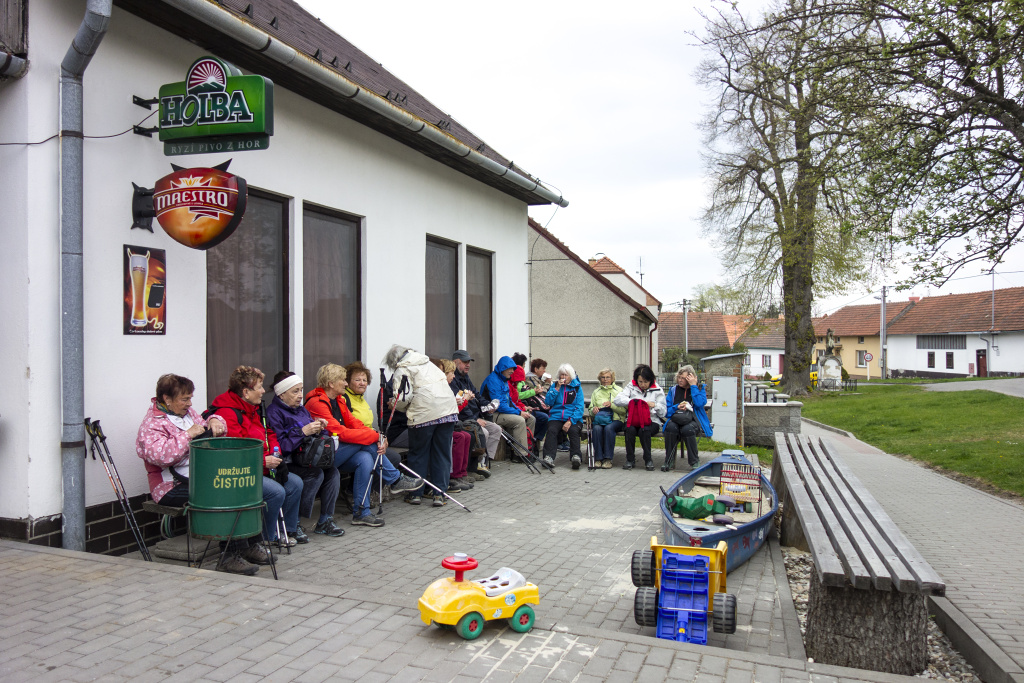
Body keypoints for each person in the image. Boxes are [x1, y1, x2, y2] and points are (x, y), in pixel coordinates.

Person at [136, 375, 251, 572]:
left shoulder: (187, 414)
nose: (189, 404)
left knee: (239, 486)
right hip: (169, 487)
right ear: (167, 399)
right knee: (223, 494)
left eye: (190, 398)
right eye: (184, 399)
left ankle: (247, 547)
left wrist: (215, 420)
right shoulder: (152, 424)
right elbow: (161, 456)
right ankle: (229, 557)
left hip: (198, 478)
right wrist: (188, 435)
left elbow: (205, 424)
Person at [304, 363, 422, 526]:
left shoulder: (338, 400)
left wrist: (378, 435)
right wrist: (374, 437)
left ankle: (361, 512)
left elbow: (354, 423)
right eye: (342, 380)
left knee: (366, 459)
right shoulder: (317, 403)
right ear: (331, 383)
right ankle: (395, 479)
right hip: (321, 455)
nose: (346, 383)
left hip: (337, 450)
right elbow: (339, 432)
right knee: (367, 445)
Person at [208, 365, 305, 555]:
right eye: (259, 387)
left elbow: (269, 432)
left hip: (264, 465)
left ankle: (286, 530)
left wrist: (276, 455)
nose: (263, 391)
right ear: (246, 392)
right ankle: (264, 538)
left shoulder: (253, 409)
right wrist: (263, 462)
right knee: (275, 492)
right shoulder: (230, 413)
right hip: (243, 471)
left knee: (295, 483)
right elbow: (237, 451)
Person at [265, 371, 344, 539]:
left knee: (332, 472)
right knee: (314, 474)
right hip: (288, 461)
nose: (300, 395)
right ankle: (295, 523)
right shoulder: (273, 413)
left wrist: (319, 426)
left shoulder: (300, 410)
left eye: (301, 390)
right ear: (282, 393)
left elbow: (311, 436)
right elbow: (279, 447)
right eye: (295, 391)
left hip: (305, 457)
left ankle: (325, 520)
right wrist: (303, 432)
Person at [385, 345, 460, 507]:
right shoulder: (429, 364)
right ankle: (439, 494)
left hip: (423, 414)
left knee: (419, 453)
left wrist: (395, 405)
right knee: (442, 453)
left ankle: (415, 494)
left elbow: (403, 397)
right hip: (447, 411)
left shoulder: (402, 370)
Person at [449, 350, 502, 470]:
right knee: (485, 432)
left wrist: (488, 406)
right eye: (464, 362)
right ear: (455, 362)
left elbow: (477, 395)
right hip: (465, 419)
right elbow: (461, 406)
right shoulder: (453, 381)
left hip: (475, 417)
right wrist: (475, 419)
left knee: (496, 429)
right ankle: (476, 465)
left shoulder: (465, 377)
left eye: (469, 362)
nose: (468, 365)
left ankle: (485, 461)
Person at [344, 361, 401, 468]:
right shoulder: (344, 399)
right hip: (355, 443)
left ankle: (376, 485)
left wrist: (381, 438)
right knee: (381, 458)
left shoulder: (361, 399)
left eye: (364, 380)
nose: (362, 383)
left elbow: (368, 425)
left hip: (369, 439)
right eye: (357, 380)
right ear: (347, 382)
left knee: (394, 457)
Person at [613, 364, 667, 471]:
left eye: (645, 382)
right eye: (640, 381)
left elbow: (663, 412)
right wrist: (634, 402)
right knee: (629, 430)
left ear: (651, 380)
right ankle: (630, 459)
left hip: (651, 421)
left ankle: (648, 459)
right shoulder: (631, 386)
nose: (642, 384)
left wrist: (654, 405)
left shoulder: (657, 390)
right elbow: (617, 400)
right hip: (634, 420)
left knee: (645, 430)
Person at [481, 356, 537, 455]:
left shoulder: (504, 380)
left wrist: (520, 411)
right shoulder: (493, 380)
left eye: (513, 369)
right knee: (519, 420)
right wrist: (519, 412)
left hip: (502, 412)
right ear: (503, 368)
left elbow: (510, 401)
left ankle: (529, 448)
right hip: (491, 414)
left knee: (531, 418)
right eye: (510, 369)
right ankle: (521, 454)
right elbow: (499, 405)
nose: (512, 371)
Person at [434, 358, 475, 491]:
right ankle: (453, 475)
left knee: (467, 436)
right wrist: (464, 401)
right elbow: (452, 410)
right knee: (459, 437)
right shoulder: (441, 389)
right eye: (451, 372)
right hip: (441, 426)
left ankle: (462, 473)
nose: (453, 375)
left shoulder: (447, 387)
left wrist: (462, 401)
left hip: (448, 423)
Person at [663, 365, 713, 470]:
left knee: (688, 429)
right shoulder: (673, 390)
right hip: (676, 418)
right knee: (671, 428)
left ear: (690, 378)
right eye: (679, 377)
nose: (680, 380)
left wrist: (693, 386)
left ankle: (694, 461)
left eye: (683, 378)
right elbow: (666, 412)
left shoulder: (699, 388)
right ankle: (669, 460)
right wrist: (677, 406)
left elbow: (699, 403)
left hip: (693, 420)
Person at [542, 363, 585, 468]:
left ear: (571, 376)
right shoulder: (555, 386)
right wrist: (556, 389)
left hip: (573, 417)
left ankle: (576, 456)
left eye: (566, 375)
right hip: (556, 416)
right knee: (552, 430)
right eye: (561, 375)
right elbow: (548, 402)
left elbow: (580, 408)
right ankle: (548, 457)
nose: (563, 377)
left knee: (573, 430)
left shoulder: (577, 388)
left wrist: (570, 421)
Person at [510, 352, 548, 454]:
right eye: (523, 365)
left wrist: (523, 406)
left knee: (549, 415)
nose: (544, 371)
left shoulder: (520, 380)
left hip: (523, 406)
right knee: (543, 417)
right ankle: (531, 443)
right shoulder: (524, 379)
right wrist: (534, 391)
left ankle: (532, 443)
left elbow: (516, 398)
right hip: (518, 408)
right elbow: (517, 396)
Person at [589, 368, 626, 469]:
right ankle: (598, 458)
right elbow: (590, 409)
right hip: (600, 420)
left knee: (609, 428)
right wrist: (594, 410)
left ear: (612, 378)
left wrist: (612, 405)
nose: (605, 379)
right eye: (603, 377)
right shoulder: (596, 392)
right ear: (600, 379)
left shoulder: (619, 391)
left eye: (608, 377)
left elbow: (624, 410)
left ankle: (608, 459)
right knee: (596, 429)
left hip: (616, 420)